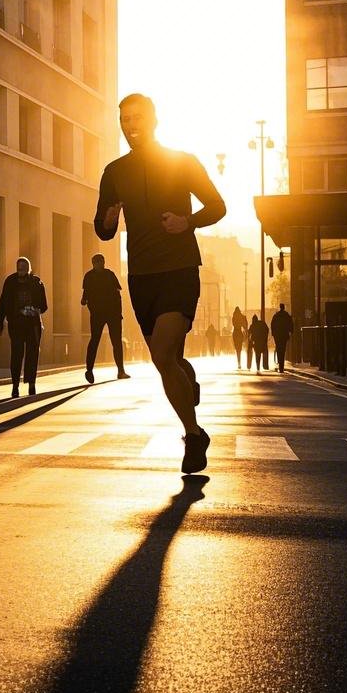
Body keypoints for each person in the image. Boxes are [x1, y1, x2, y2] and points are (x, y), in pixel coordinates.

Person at [94, 94, 226, 474]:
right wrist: (107, 217)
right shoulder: (115, 171)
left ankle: (193, 435)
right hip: (141, 276)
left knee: (161, 355)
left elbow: (217, 205)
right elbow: (102, 231)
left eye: (137, 117)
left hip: (180, 269)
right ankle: (186, 376)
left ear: (154, 121)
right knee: (167, 360)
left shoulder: (182, 162)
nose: (130, 124)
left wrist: (188, 222)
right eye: (124, 118)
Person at [0, 257, 48, 397]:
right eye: (19, 268)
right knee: (17, 354)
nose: (21, 271)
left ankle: (31, 384)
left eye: (24, 268)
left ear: (28, 269)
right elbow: (3, 302)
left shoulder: (36, 282)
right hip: (16, 324)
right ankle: (15, 386)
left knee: (32, 354)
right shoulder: (10, 282)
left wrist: (33, 310)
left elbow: (44, 306)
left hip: (33, 325)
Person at [80, 253, 129, 383]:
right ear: (93, 264)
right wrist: (85, 301)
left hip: (112, 313)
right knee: (95, 341)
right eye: (97, 262)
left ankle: (121, 370)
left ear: (103, 262)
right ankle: (89, 370)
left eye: (101, 262)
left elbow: (118, 293)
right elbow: (85, 294)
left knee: (116, 341)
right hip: (97, 314)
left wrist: (119, 313)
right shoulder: (89, 277)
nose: (99, 264)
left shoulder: (109, 274)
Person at [270, 303, 295, 373]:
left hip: (277, 335)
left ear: (280, 307)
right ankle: (282, 366)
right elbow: (291, 324)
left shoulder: (276, 315)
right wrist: (291, 332)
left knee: (278, 349)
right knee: (283, 349)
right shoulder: (287, 315)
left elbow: (272, 324)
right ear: (284, 308)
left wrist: (273, 333)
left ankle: (280, 364)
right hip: (284, 335)